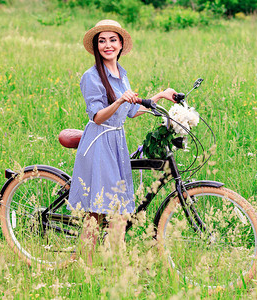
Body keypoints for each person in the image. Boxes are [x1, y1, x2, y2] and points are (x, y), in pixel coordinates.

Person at [68, 19, 177, 263]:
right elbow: (97, 116)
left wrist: (159, 97)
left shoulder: (121, 72)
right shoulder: (92, 76)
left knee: (119, 207)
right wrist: (118, 101)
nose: (107, 45)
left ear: (121, 44)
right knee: (98, 210)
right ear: (97, 47)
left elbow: (128, 111)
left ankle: (116, 263)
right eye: (102, 41)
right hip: (99, 142)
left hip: (117, 141)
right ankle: (86, 266)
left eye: (112, 40)